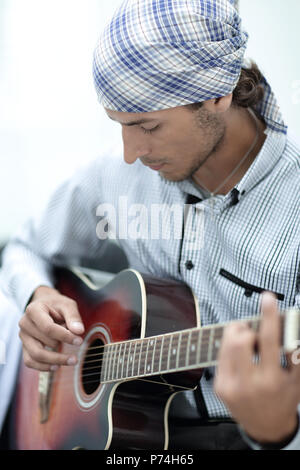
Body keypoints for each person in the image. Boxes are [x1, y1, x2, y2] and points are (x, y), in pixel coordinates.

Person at [1, 0, 300, 450]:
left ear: (218, 96)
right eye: (118, 125)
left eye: (147, 126)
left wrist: (277, 432)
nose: (129, 153)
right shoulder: (115, 176)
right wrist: (37, 295)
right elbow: (23, 246)